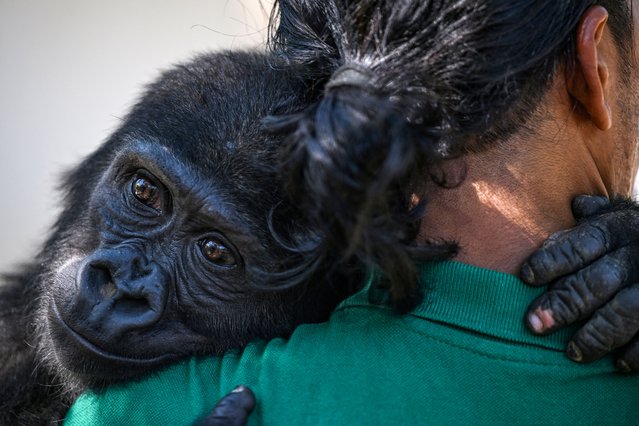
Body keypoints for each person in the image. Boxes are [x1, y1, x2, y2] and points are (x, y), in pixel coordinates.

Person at [64, 1, 639, 424]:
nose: (116, 283)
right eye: (143, 196)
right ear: (597, 67)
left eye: (215, 252)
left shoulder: (136, 413)